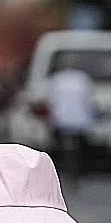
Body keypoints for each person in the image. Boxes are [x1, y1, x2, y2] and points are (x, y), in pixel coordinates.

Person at [45, 57, 96, 188]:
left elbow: (52, 101)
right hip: (80, 119)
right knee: (78, 150)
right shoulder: (82, 79)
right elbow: (89, 99)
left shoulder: (57, 79)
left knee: (62, 148)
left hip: (62, 119)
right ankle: (76, 171)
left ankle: (65, 170)